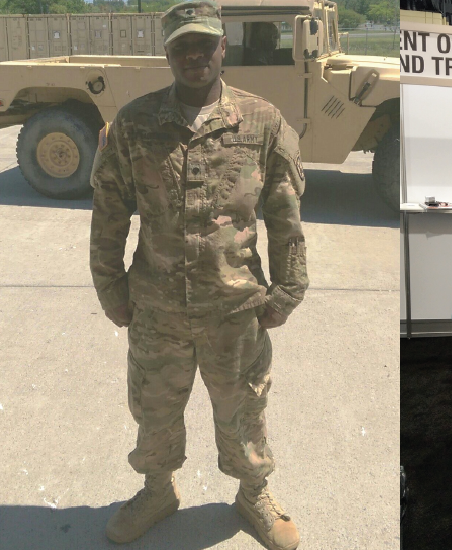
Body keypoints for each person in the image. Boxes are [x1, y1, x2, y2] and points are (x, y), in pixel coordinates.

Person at [89, 2, 308, 549]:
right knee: (154, 408)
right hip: (155, 307)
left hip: (234, 308)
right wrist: (110, 289)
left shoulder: (261, 121)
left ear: (223, 47)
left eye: (203, 44)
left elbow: (285, 215)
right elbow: (109, 213)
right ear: (167, 53)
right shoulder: (134, 124)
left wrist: (287, 291)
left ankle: (253, 492)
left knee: (244, 408)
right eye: (181, 46)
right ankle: (157, 490)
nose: (193, 55)